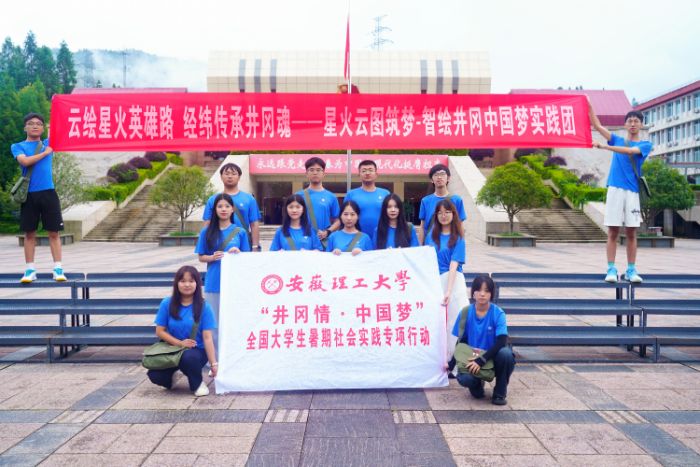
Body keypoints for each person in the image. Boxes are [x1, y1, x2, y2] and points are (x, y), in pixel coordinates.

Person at [589, 101, 653, 283]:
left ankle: (631, 270)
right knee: (613, 231)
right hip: (615, 189)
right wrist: (589, 105)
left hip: (632, 192)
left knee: (631, 232)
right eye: (630, 121)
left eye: (636, 121)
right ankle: (611, 269)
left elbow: (629, 151)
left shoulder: (645, 144)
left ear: (640, 124)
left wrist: (605, 147)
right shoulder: (616, 139)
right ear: (625, 124)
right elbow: (597, 126)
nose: (633, 124)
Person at [11, 113, 66, 283]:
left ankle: (58, 268)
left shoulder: (49, 143)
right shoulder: (17, 146)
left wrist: (55, 109)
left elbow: (62, 129)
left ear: (43, 128)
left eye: (38, 124)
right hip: (29, 195)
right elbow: (25, 162)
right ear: (25, 127)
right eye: (31, 123)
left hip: (49, 193)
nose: (35, 126)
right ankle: (30, 270)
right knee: (29, 233)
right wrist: (45, 153)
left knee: (54, 232)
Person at [147, 266, 218, 397]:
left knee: (188, 357)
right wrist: (180, 343)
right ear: (177, 283)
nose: (187, 285)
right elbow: (160, 331)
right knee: (155, 375)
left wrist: (214, 364)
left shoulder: (205, 307)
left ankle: (197, 384)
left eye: (191, 281)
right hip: (172, 349)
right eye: (183, 281)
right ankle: (171, 378)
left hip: (196, 351)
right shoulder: (167, 303)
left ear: (197, 283)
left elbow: (207, 337)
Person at [195, 193, 250, 352]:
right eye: (220, 206)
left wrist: (238, 252)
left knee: (234, 320)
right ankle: (214, 358)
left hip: (234, 283)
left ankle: (233, 355)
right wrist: (212, 257)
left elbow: (247, 259)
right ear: (215, 210)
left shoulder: (240, 232)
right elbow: (201, 257)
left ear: (232, 209)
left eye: (227, 206)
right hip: (214, 282)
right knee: (213, 323)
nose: (223, 209)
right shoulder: (206, 232)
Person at [449, 275, 514, 406]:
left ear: (491, 294)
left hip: (493, 356)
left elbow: (502, 341)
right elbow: (462, 341)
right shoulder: (465, 312)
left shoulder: (498, 313)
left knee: (506, 354)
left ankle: (500, 393)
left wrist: (481, 360)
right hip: (472, 357)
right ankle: (477, 385)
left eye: (487, 291)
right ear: (473, 293)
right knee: (465, 379)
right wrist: (451, 365)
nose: (482, 294)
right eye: (478, 290)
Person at [424, 199, 468, 357]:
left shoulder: (458, 238)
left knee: (456, 321)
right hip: (435, 282)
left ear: (453, 214)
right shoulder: (431, 236)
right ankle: (441, 359)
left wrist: (449, 290)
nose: (443, 215)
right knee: (438, 322)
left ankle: (456, 360)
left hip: (454, 282)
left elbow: (453, 265)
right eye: (440, 212)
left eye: (447, 212)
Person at [202, 163, 262, 252]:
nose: (230, 176)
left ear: (239, 177)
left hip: (243, 244)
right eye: (226, 174)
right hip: (218, 244)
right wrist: (205, 246)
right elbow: (207, 223)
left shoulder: (249, 199)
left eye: (234, 174)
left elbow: (254, 224)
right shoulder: (213, 199)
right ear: (221, 177)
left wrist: (255, 246)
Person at [295, 157, 340, 246]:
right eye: (311, 170)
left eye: (318, 170)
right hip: (302, 241)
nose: (315, 173)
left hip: (323, 242)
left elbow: (338, 220)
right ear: (306, 174)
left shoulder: (331, 197)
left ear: (324, 174)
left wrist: (328, 231)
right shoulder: (298, 196)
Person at [418, 164, 467, 245]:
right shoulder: (425, 201)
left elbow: (460, 224)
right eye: (436, 175)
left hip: (450, 245)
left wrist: (461, 244)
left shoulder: (457, 200)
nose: (439, 177)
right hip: (430, 245)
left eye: (442, 174)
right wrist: (420, 246)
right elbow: (422, 226)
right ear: (432, 180)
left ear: (448, 178)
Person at [344, 160, 390, 235]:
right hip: (357, 237)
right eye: (364, 171)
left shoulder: (385, 194)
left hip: (381, 235)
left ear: (376, 174)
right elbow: (344, 216)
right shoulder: (351, 194)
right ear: (359, 174)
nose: (367, 173)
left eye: (370, 170)